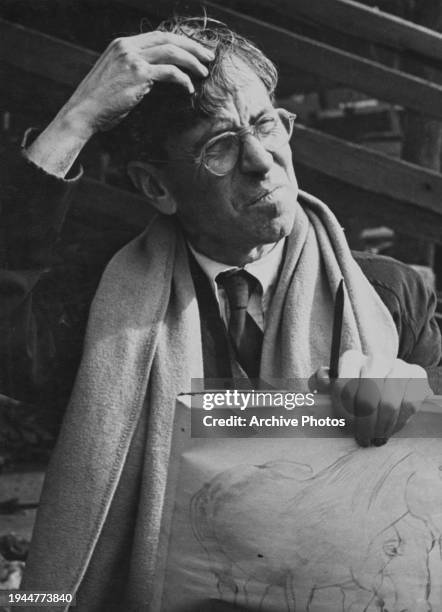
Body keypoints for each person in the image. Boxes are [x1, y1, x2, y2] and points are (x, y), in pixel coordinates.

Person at [4, 14, 438, 610]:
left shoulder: (387, 296)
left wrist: (418, 402)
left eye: (266, 125)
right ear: (156, 187)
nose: (261, 161)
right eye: (221, 147)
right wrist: (74, 122)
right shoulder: (95, 313)